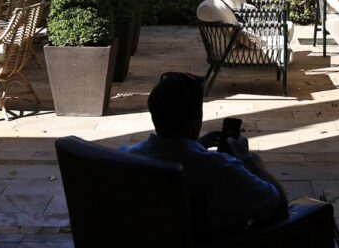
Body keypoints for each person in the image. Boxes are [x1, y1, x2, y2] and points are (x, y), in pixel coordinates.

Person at [123, 72, 288, 237]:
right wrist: (248, 159)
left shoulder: (125, 159)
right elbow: (277, 205)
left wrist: (197, 145)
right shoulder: (221, 169)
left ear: (153, 113)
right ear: (196, 119)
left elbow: (174, 153)